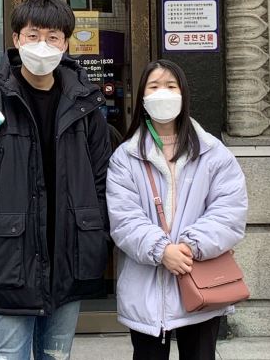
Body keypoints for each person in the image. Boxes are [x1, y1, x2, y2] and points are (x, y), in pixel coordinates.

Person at [0, 0, 111, 360]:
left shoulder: (85, 106)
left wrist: (96, 237)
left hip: (68, 258)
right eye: (33, 35)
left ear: (65, 43)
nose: (42, 45)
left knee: (56, 356)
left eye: (53, 37)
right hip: (8, 261)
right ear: (16, 39)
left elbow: (102, 179)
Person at [106, 59, 248, 360]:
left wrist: (189, 246)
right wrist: (161, 250)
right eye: (154, 86)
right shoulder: (125, 157)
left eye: (171, 86)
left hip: (201, 283)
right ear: (142, 97)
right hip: (146, 290)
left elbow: (229, 210)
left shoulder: (212, 152)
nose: (163, 93)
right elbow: (123, 219)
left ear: (183, 95)